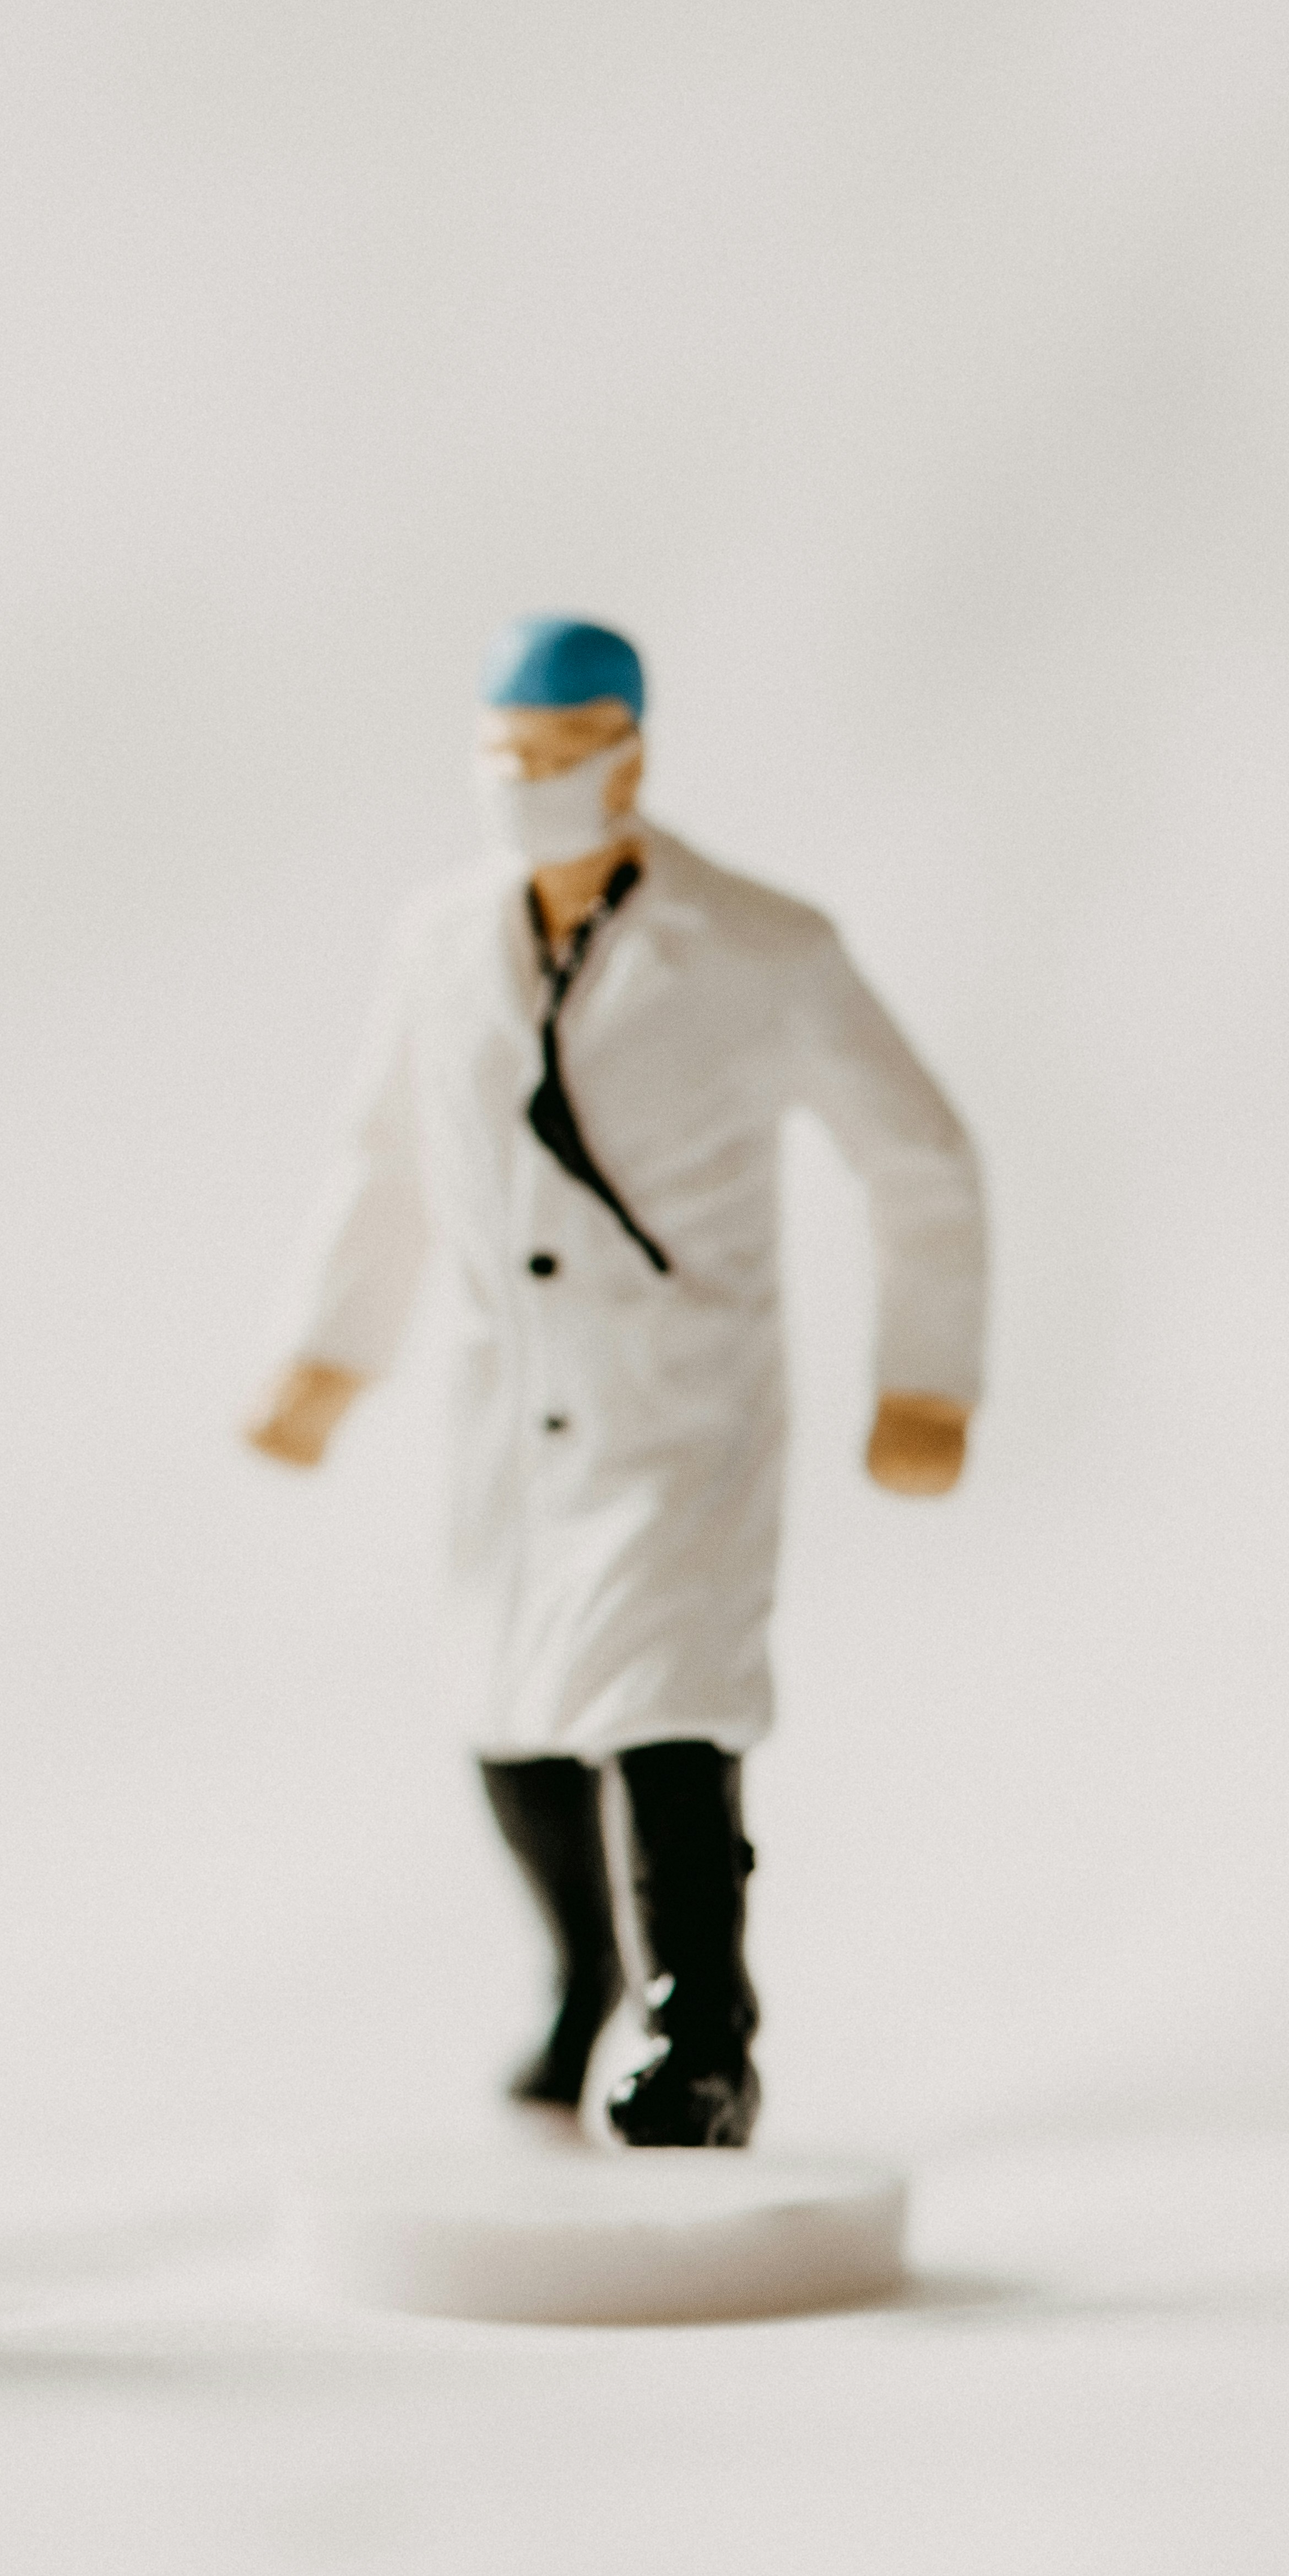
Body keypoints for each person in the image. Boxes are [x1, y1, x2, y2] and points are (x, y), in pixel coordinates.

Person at [241, 617, 985, 2149]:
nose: (525, 784)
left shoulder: (767, 946)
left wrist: (927, 1382)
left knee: (666, 1706)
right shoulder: (441, 941)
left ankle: (704, 2035)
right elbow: (385, 1160)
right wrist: (329, 1358)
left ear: (629, 755)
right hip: (507, 1401)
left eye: (558, 754)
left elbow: (916, 1160)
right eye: (503, 756)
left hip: (675, 1402)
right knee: (507, 1712)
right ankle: (583, 1976)